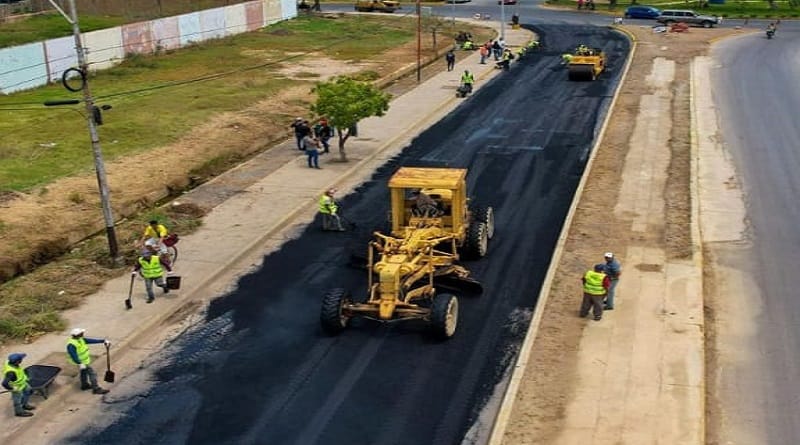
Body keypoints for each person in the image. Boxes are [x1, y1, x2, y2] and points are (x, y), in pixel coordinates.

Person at [66, 328, 110, 394]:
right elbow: (73, 355)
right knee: (92, 373)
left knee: (83, 373)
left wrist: (103, 341)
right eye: (82, 333)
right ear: (78, 334)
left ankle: (84, 385)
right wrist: (80, 363)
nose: (83, 334)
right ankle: (96, 389)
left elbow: (90, 340)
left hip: (84, 361)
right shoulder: (71, 345)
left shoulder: (80, 339)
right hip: (81, 362)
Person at [2, 353, 35, 417]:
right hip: (17, 388)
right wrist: (12, 388)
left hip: (23, 383)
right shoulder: (11, 373)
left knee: (28, 391)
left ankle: (25, 405)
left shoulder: (9, 362)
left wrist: (25, 378)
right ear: (17, 362)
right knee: (17, 401)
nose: (22, 359)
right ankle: (19, 412)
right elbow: (4, 383)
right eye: (21, 359)